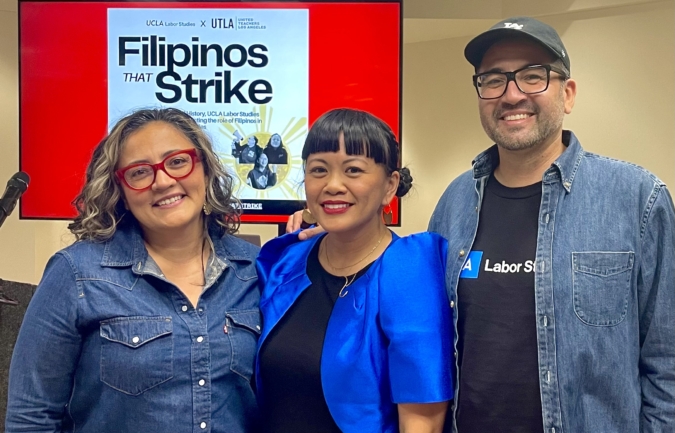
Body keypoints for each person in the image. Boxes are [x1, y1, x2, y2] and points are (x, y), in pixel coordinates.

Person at [289, 17, 675, 433]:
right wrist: (332, 230)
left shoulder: (636, 198)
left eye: (532, 76)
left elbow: (666, 363)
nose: (511, 94)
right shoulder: (455, 203)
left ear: (568, 94)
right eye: (493, 80)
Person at [5, 108, 262, 433]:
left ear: (205, 169)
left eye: (178, 161)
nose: (164, 181)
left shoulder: (257, 270)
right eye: (140, 172)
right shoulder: (76, 273)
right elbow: (31, 418)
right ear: (121, 191)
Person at [258, 108, 453, 433]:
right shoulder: (284, 264)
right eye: (318, 170)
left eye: (353, 170)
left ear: (390, 186)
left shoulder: (409, 271)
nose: (333, 185)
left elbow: (422, 423)